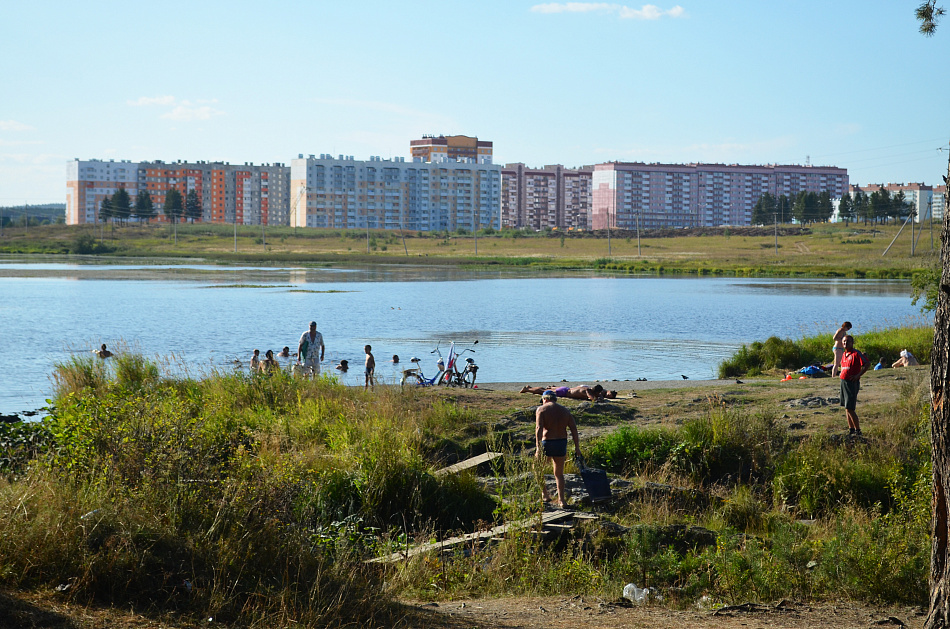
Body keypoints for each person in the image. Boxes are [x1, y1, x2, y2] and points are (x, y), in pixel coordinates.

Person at [535, 390, 582, 508]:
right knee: (559, 474)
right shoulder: (565, 411)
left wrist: (538, 447)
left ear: (545, 399)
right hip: (561, 443)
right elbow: (574, 429)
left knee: (537, 468)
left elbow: (539, 428)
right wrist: (577, 447)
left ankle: (545, 495)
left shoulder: (541, 409)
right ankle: (562, 500)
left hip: (548, 442)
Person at [839, 335, 870, 436]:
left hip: (851, 383)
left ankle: (858, 431)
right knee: (846, 408)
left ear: (852, 343)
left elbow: (867, 364)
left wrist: (858, 375)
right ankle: (851, 429)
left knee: (850, 408)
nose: (845, 343)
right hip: (843, 382)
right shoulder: (844, 354)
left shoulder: (856, 353)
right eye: (844, 341)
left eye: (847, 342)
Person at [520, 384, 617, 400]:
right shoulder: (588, 391)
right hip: (564, 392)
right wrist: (598, 398)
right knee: (543, 392)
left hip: (566, 389)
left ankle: (529, 388)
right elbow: (592, 398)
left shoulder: (589, 388)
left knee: (544, 390)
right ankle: (527, 389)